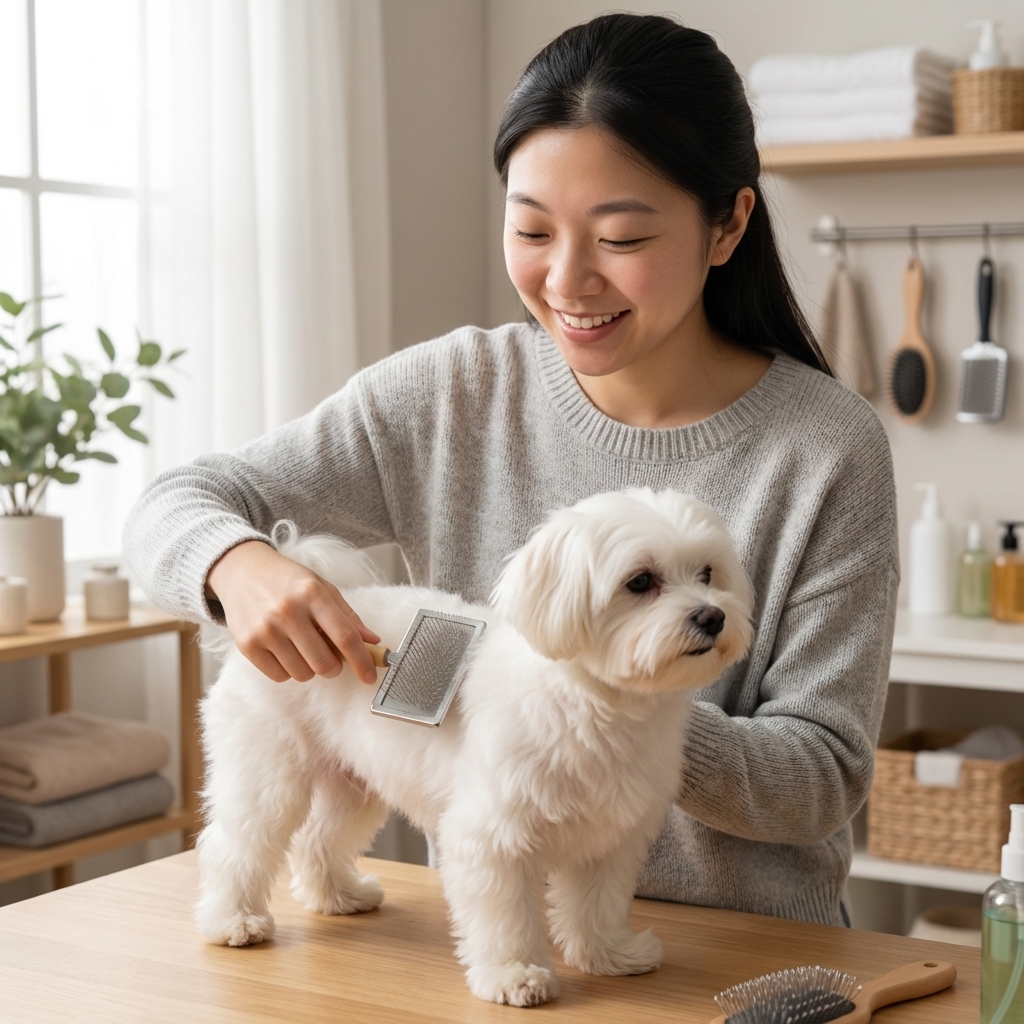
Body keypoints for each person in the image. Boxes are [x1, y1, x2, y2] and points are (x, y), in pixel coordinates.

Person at [124, 13, 898, 927]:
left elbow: (823, 778)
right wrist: (236, 565)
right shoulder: (452, 391)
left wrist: (606, 712)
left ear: (727, 225)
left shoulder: (827, 449)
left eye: (620, 239)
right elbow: (170, 506)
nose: (567, 282)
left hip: (743, 957)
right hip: (492, 945)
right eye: (532, 229)